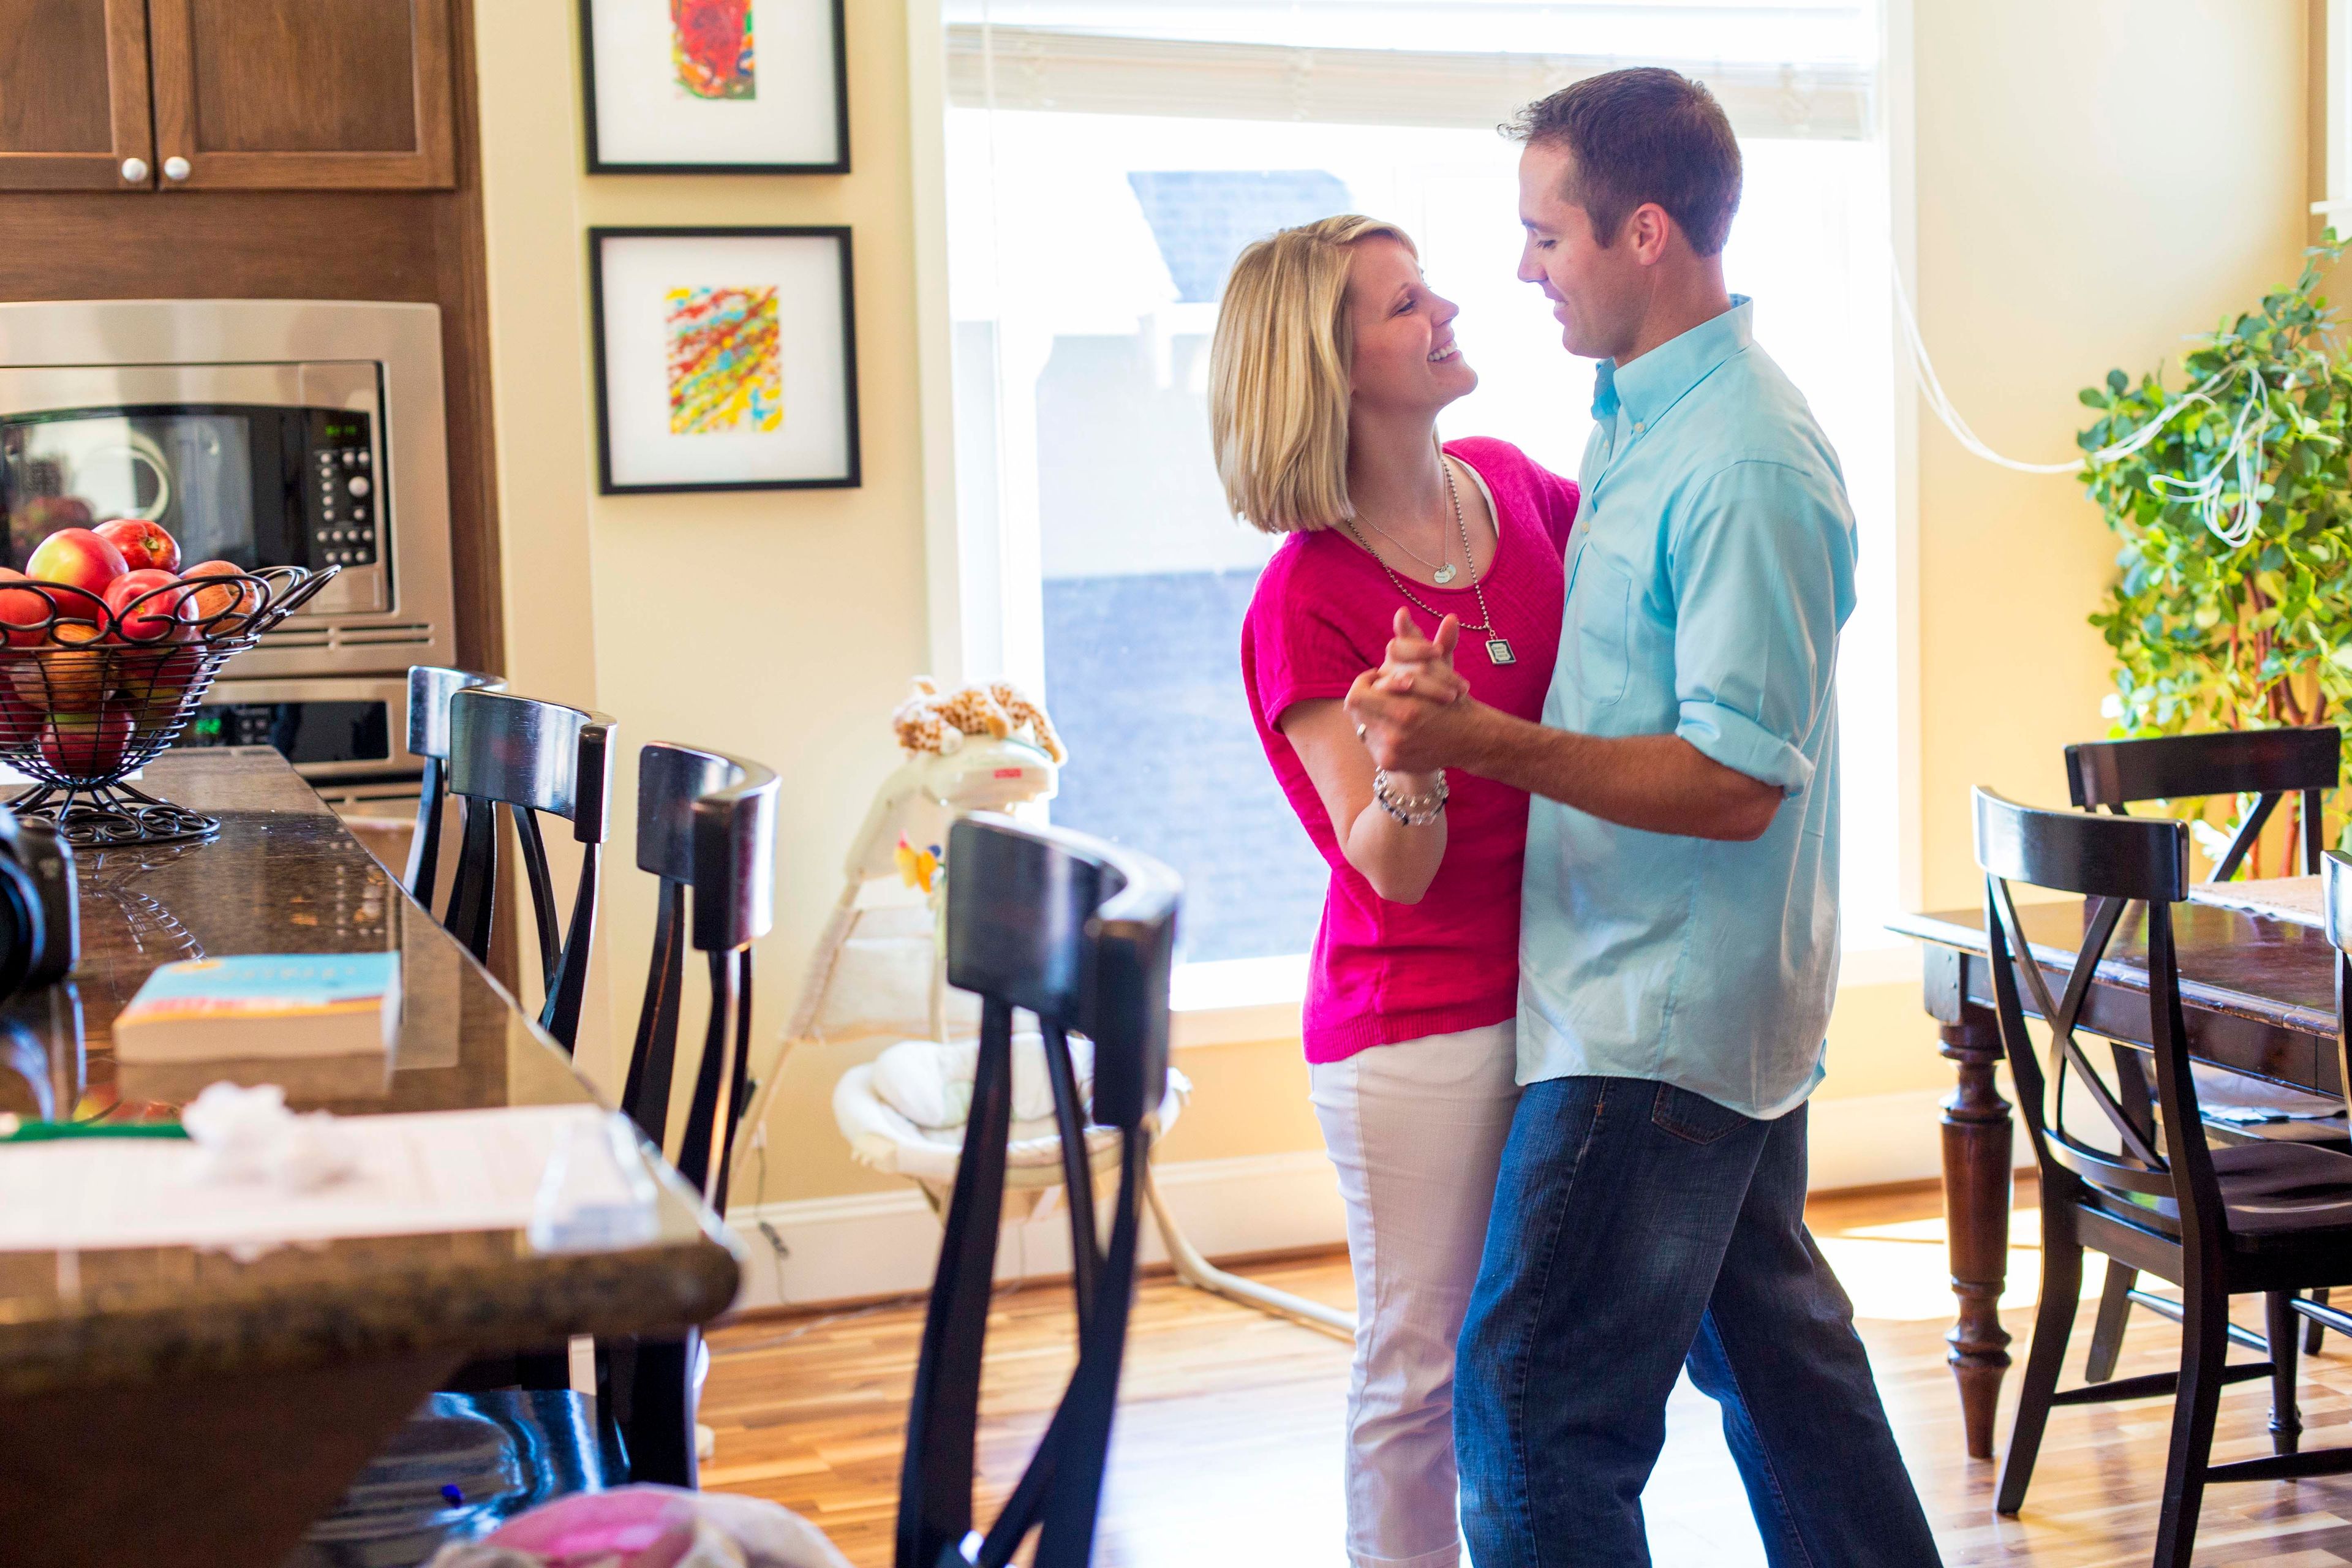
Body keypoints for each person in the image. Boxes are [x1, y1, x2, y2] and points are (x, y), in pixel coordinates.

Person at [1347, 69, 1943, 1566]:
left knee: (1533, 1401)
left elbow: (1734, 783)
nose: (1523, 269)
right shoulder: (1632, 423)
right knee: (1788, 1375)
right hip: (1667, 991)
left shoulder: (1740, 458)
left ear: (1648, 233)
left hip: (1656, 1017)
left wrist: (1480, 739)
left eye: (1545, 235)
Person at [1209, 214, 1579, 1568]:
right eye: (1403, 303)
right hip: (1413, 1020)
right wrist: (1405, 752)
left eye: (1429, 287)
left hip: (1562, 988)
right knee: (1417, 1361)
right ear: (1331, 367)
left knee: (1523, 1347)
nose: (1446, 311)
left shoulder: (1514, 487)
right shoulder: (1308, 595)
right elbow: (1397, 866)